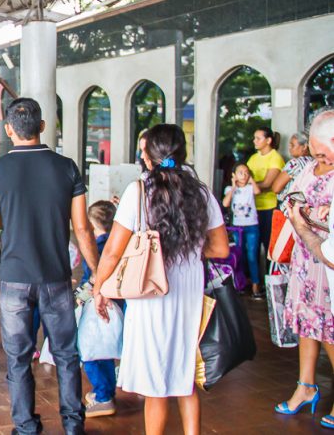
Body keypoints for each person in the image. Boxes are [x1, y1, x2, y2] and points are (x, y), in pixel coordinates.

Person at [94, 124, 229, 435]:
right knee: (185, 375)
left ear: (147, 156)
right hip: (189, 293)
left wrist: (99, 289)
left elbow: (113, 252)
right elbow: (220, 247)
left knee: (155, 382)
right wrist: (190, 245)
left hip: (149, 293)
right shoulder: (202, 192)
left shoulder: (138, 192)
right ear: (182, 153)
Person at [0, 97, 101, 435]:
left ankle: (26, 427)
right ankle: (74, 426)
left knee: (18, 359)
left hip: (14, 279)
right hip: (56, 277)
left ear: (8, 130)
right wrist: (99, 273)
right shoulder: (67, 167)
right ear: (43, 126)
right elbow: (83, 228)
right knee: (66, 355)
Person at [277, 114, 334, 428]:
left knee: (331, 329)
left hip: (329, 263)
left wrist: (314, 214)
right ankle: (305, 386)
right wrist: (298, 208)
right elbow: (288, 197)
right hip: (304, 261)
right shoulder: (309, 168)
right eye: (314, 151)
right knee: (307, 324)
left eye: (323, 151)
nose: (318, 158)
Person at [81, 200, 119, 418]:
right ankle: (107, 391)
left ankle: (103, 396)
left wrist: (80, 297)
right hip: (116, 305)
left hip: (97, 304)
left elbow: (91, 280)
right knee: (106, 350)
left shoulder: (96, 249)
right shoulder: (117, 244)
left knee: (92, 351)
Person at [222, 164, 263, 298]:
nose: (244, 175)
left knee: (252, 255)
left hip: (252, 225)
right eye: (240, 173)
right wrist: (234, 186)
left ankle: (256, 286)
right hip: (238, 227)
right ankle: (241, 283)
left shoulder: (251, 188)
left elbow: (258, 192)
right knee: (240, 255)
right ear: (234, 175)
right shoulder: (230, 189)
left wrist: (252, 180)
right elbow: (225, 203)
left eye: (246, 172)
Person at [247, 127, 285, 260]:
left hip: (269, 207)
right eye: (254, 138)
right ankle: (255, 279)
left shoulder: (275, 158)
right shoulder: (253, 158)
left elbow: (268, 184)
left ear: (268, 140)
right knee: (253, 247)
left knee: (269, 245)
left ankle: (270, 279)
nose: (254, 141)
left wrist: (249, 185)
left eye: (258, 138)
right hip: (251, 208)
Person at [273, 130, 313, 209]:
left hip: (289, 208)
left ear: (304, 147)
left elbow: (276, 188)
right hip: (307, 208)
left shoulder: (294, 163)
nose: (289, 148)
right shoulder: (314, 162)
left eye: (292, 145)